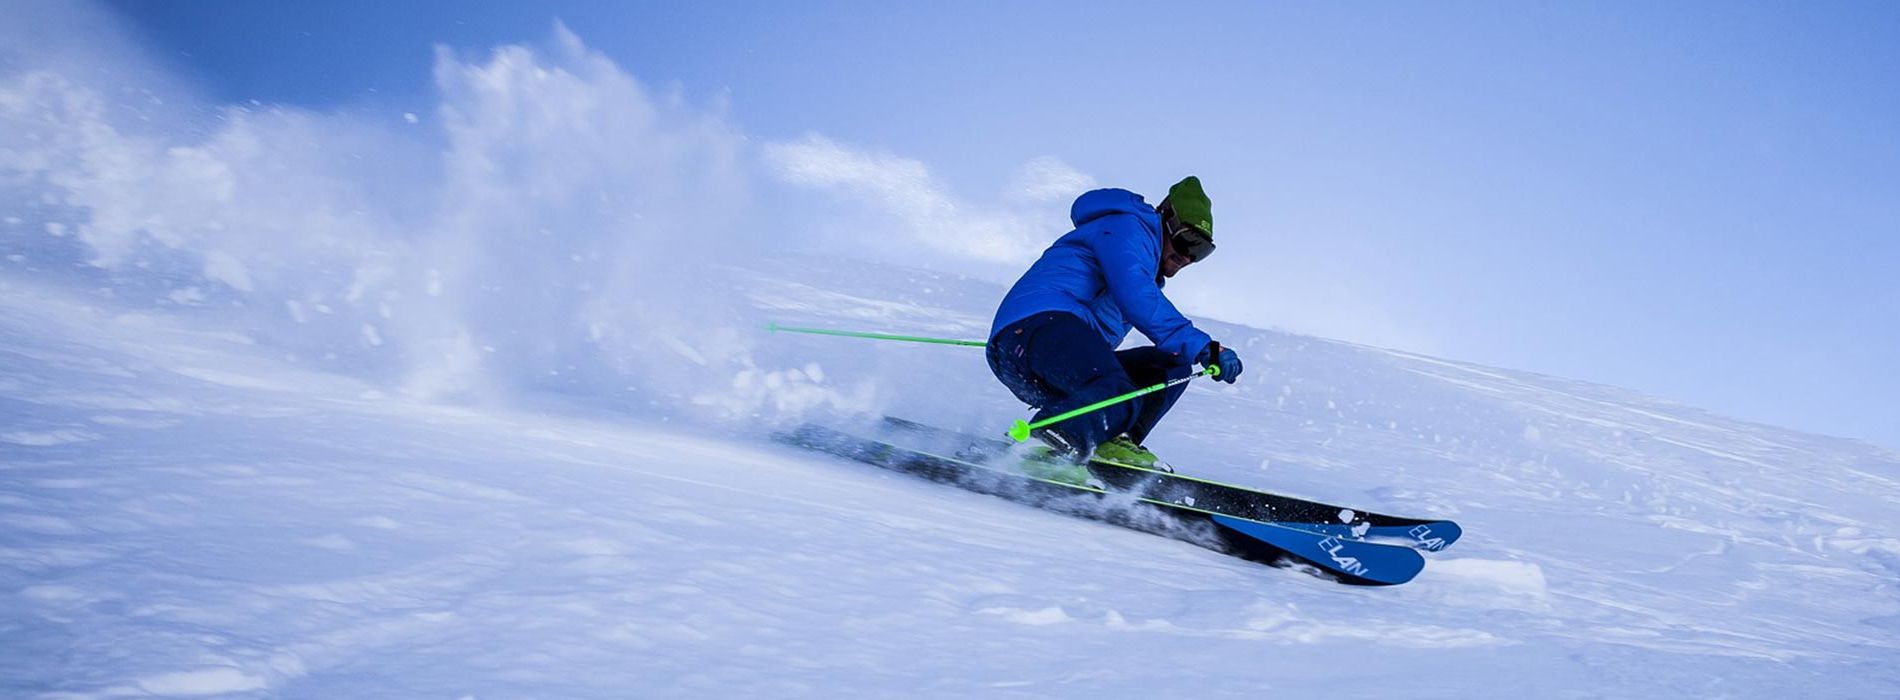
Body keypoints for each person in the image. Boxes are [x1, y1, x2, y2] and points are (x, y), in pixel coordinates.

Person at [986, 176, 1244, 473]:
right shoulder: (1128, 229)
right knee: (1117, 390)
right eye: (1187, 240)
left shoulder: (1148, 266)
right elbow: (1136, 295)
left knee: (1169, 367)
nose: (1188, 256)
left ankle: (1112, 442)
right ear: (1165, 217)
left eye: (1201, 251)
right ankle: (1046, 443)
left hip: (1058, 354)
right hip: (1032, 332)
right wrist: (1203, 346)